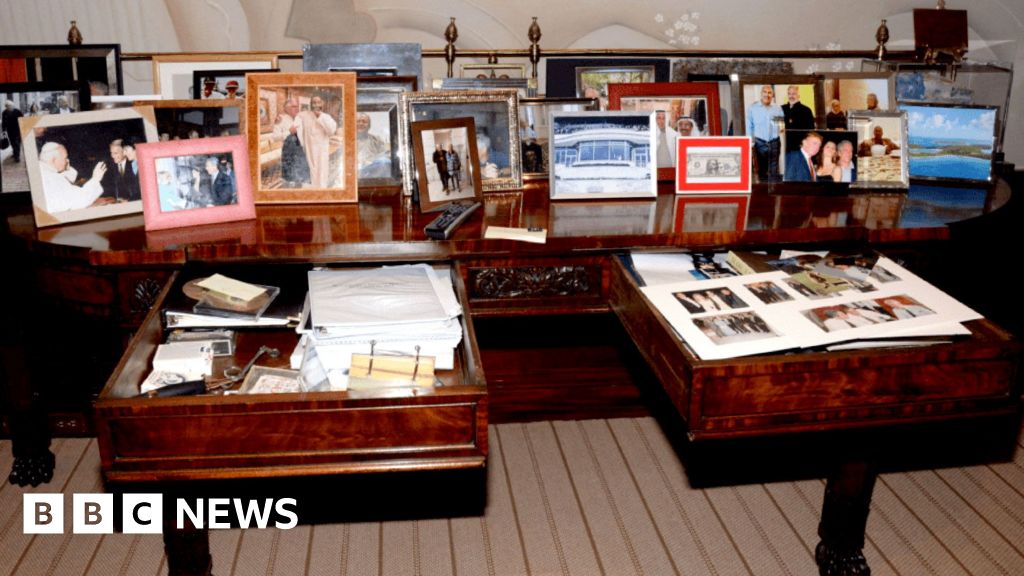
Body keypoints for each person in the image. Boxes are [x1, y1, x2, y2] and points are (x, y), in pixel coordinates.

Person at [37, 142, 108, 213]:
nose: (67, 161)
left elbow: (64, 183)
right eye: (65, 158)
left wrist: (67, 170)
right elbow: (80, 200)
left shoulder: (42, 171)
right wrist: (96, 178)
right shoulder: (52, 178)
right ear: (54, 160)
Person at [746, 85, 783, 181]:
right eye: (765, 92)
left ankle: (773, 188)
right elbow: (749, 126)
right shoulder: (752, 108)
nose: (767, 94)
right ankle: (763, 188)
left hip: (774, 142)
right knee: (762, 171)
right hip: (760, 143)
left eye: (770, 92)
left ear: (772, 95)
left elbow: (780, 126)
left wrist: (781, 126)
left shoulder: (777, 108)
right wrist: (750, 143)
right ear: (761, 94)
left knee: (774, 171)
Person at [272, 97, 311, 187]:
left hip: (300, 151)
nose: (297, 108)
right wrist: (289, 132)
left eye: (297, 106)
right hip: (288, 152)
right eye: (294, 106)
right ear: (287, 108)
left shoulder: (300, 119)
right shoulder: (280, 119)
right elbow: (275, 137)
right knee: (289, 179)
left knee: (302, 177)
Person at [355, 112, 391, 178]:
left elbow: (384, 155)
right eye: (358, 121)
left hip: (371, 170)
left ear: (369, 126)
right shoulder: (345, 140)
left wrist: (369, 162)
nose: (361, 124)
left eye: (364, 122)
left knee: (385, 162)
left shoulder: (376, 140)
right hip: (353, 172)